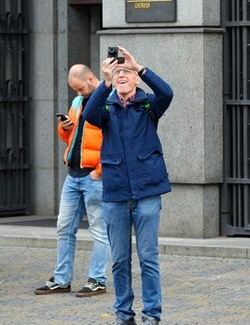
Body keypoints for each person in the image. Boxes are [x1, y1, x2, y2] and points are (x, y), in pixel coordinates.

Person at [83, 46, 173, 325]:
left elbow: (167, 93)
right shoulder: (106, 109)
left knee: (148, 258)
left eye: (126, 73)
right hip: (116, 193)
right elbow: (89, 115)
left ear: (135, 80)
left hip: (147, 192)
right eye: (117, 73)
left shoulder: (148, 106)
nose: (122, 76)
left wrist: (139, 66)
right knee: (120, 260)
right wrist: (105, 80)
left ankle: (152, 315)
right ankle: (124, 314)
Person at [34, 65, 110, 297]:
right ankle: (61, 279)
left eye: (80, 88)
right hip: (73, 175)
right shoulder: (78, 102)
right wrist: (64, 128)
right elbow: (72, 137)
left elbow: (116, 139)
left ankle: (97, 279)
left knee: (98, 230)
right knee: (64, 228)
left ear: (90, 78)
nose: (77, 93)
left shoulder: (109, 99)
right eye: (74, 90)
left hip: (94, 176)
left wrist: (100, 170)